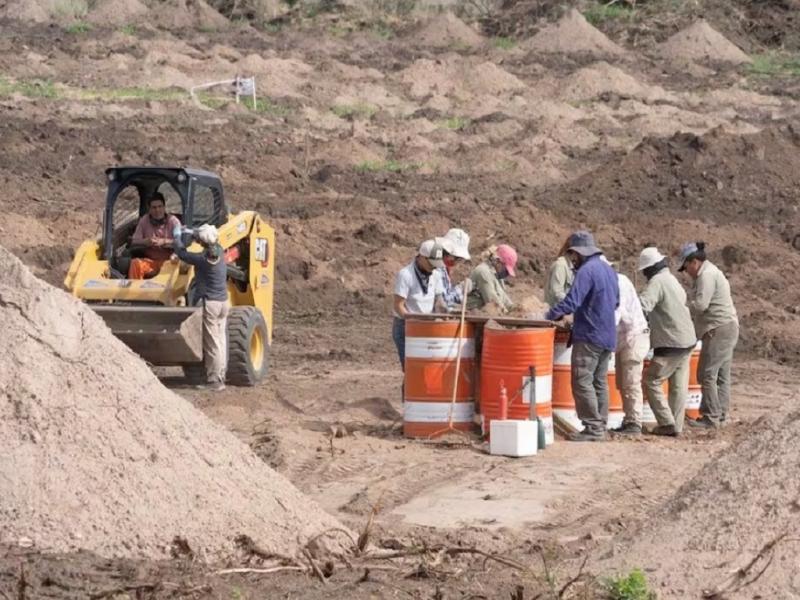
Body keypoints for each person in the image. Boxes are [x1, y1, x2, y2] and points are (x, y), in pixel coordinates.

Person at [545, 231, 619, 442]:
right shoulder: (609, 271)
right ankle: (601, 425)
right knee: (599, 382)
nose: (572, 259)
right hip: (608, 335)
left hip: (589, 335)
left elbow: (572, 301)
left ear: (578, 253)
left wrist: (548, 315)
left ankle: (593, 427)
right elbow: (616, 302)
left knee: (582, 380)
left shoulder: (586, 271)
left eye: (573, 255)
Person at [637, 247, 697, 437]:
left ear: (650, 268)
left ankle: (666, 423)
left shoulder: (657, 282)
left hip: (671, 342)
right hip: (687, 339)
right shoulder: (671, 280)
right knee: (678, 387)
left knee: (651, 380)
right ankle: (676, 426)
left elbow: (643, 306)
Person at [679, 242, 739, 429]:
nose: (686, 272)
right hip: (727, 327)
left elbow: (701, 305)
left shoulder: (706, 275)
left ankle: (711, 417)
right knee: (721, 375)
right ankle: (720, 415)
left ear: (694, 262)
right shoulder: (711, 272)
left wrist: (681, 309)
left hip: (719, 329)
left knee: (707, 374)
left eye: (686, 267)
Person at [173, 224, 229, 391]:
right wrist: (192, 231)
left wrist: (177, 237)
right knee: (220, 340)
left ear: (202, 242)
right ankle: (221, 374)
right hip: (223, 302)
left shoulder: (202, 260)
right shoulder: (220, 251)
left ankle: (214, 381)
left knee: (212, 343)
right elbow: (207, 238)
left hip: (210, 303)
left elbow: (182, 254)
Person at [605, 258, 650, 437]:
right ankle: (629, 419)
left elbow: (618, 313)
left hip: (634, 337)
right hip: (623, 339)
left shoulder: (620, 283)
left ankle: (635, 423)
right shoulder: (611, 283)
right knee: (622, 383)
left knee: (631, 381)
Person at [392, 239, 447, 369]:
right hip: (405, 325)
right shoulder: (406, 275)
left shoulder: (436, 275)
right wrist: (413, 322)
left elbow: (439, 301)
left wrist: (443, 313)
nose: (433, 267)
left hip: (426, 324)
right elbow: (398, 305)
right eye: (431, 263)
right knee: (411, 369)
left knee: (425, 368)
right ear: (422, 257)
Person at [128, 192, 181, 279]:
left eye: (160, 206)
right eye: (154, 207)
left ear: (164, 207)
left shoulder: (173, 221)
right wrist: (145, 241)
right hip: (151, 261)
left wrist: (164, 242)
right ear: (149, 209)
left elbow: (180, 242)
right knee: (135, 263)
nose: (157, 210)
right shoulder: (144, 220)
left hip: (170, 261)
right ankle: (135, 287)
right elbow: (134, 241)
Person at [466, 244, 516, 313]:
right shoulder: (483, 272)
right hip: (472, 313)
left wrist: (516, 309)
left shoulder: (496, 275)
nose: (506, 274)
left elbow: (505, 300)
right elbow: (493, 303)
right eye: (506, 270)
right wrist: (508, 313)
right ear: (498, 261)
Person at [439, 228, 471, 310]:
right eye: (457, 258)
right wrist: (460, 289)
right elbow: (444, 300)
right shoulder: (437, 269)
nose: (457, 262)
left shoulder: (445, 268)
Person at [545, 237, 575, 308]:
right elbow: (557, 293)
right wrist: (574, 303)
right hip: (556, 311)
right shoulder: (561, 265)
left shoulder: (572, 267)